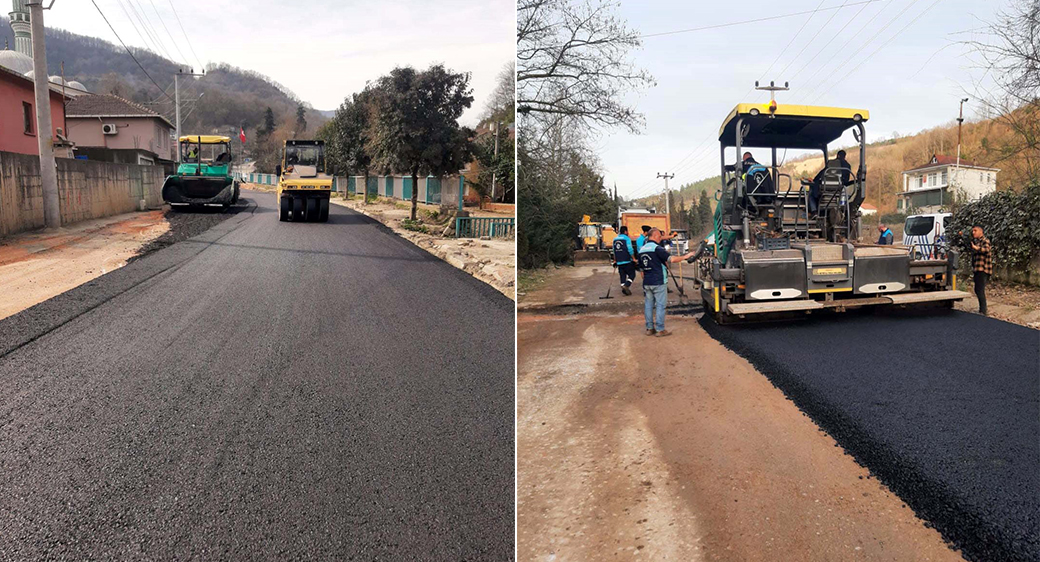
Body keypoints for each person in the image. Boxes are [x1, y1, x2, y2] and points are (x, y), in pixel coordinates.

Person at [638, 228, 697, 337]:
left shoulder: (642, 250)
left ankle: (649, 328)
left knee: (648, 305)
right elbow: (672, 259)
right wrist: (686, 256)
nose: (660, 239)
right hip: (659, 281)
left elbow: (641, 271)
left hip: (647, 282)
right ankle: (660, 329)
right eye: (659, 237)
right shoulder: (657, 248)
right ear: (655, 236)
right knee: (660, 305)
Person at [810, 149, 854, 214]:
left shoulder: (832, 163)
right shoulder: (848, 166)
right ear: (844, 156)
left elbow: (822, 173)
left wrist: (814, 180)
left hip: (826, 187)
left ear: (838, 155)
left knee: (811, 193)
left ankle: (814, 211)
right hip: (840, 188)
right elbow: (847, 179)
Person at [970, 225, 992, 316]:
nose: (973, 232)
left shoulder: (985, 241)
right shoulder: (977, 242)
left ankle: (983, 310)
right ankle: (982, 309)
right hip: (977, 269)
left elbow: (986, 250)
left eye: (975, 230)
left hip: (983, 269)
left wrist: (976, 248)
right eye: (973, 231)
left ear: (981, 231)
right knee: (977, 289)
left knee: (980, 289)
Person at [612, 226, 636, 296]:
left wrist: (615, 260)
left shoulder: (615, 239)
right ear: (625, 231)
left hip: (619, 261)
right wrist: (633, 258)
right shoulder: (626, 239)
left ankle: (623, 287)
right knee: (632, 274)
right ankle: (626, 285)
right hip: (627, 260)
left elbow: (614, 251)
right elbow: (630, 249)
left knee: (622, 275)